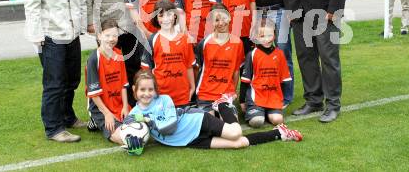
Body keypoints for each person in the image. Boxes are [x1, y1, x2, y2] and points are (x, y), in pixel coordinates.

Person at [124, 70, 302, 155]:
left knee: (235, 132)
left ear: (156, 90)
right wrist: (134, 143)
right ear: (134, 90)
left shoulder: (165, 100)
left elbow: (169, 127)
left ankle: (223, 105)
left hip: (196, 122)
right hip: (187, 140)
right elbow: (132, 137)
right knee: (238, 144)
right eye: (142, 90)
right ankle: (280, 133)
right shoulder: (134, 113)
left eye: (150, 89)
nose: (147, 94)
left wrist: (148, 119)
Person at [24, 0, 87, 142]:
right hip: (51, 36)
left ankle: (68, 117)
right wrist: (37, 38)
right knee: (54, 83)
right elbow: (31, 5)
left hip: (72, 34)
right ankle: (54, 128)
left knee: (72, 80)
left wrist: (82, 24)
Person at [140, 0, 196, 107]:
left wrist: (192, 87)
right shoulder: (152, 40)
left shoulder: (184, 39)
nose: (166, 19)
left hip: (182, 95)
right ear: (156, 18)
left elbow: (189, 66)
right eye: (161, 15)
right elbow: (146, 70)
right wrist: (151, 91)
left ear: (175, 15)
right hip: (161, 96)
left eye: (169, 14)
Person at [85, 18, 130, 144]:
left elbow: (123, 85)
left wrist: (125, 107)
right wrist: (107, 114)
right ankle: (95, 119)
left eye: (115, 35)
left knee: (140, 126)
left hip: (118, 104)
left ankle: (101, 122)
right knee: (124, 137)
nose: (111, 39)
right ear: (99, 36)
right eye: (107, 35)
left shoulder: (119, 54)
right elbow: (93, 94)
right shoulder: (94, 59)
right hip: (100, 107)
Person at [241, 18, 292, 128]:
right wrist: (241, 101)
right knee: (257, 121)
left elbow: (284, 80)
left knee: (278, 120)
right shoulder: (252, 54)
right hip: (256, 97)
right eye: (262, 36)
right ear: (257, 37)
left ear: (274, 35)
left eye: (269, 35)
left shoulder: (280, 54)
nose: (266, 39)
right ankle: (255, 110)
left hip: (273, 97)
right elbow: (245, 81)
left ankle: (267, 112)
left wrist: (280, 100)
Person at [195, 3, 244, 114]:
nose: (221, 23)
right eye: (216, 20)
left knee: (232, 128)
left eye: (223, 19)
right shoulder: (204, 43)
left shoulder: (237, 43)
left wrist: (233, 92)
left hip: (225, 95)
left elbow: (236, 71)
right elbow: (197, 69)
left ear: (229, 18)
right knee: (210, 128)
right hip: (206, 94)